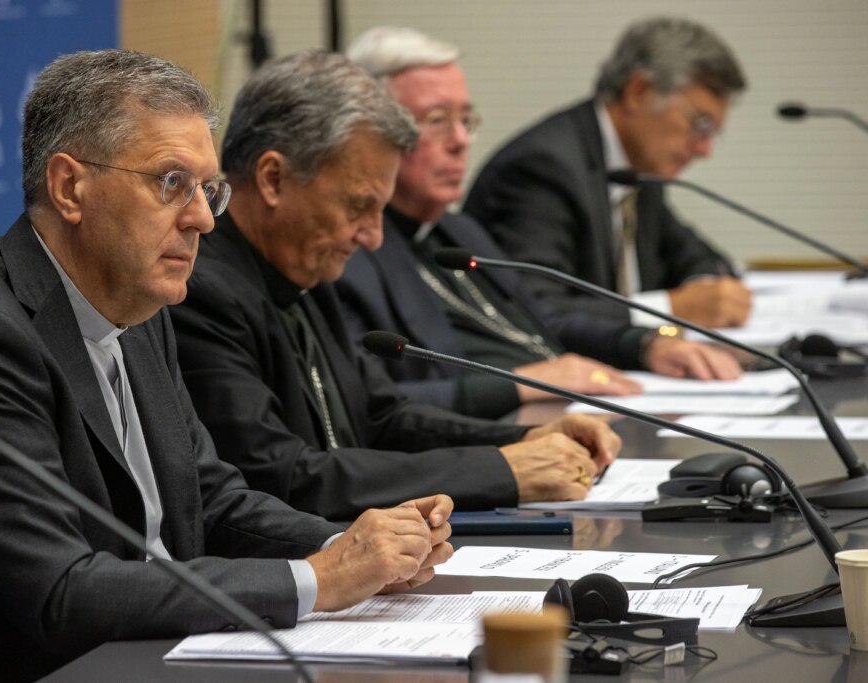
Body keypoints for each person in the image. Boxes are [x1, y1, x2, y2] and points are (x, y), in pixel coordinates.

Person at [0, 50, 455, 682]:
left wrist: (353, 547)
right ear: (69, 186)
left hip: (153, 657)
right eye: (171, 183)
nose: (199, 218)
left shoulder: (138, 303)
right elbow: (61, 594)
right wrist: (317, 579)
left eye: (207, 190)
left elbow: (210, 500)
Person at [169, 50, 621, 523]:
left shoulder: (303, 265)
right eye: (358, 206)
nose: (373, 236)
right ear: (274, 179)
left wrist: (525, 440)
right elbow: (280, 477)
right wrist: (499, 470)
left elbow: (385, 416)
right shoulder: (202, 291)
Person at [338, 26, 744, 420]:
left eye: (466, 119)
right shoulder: (345, 256)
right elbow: (368, 403)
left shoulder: (458, 232)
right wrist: (519, 383)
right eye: (436, 120)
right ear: (370, 135)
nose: (461, 140)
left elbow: (542, 320)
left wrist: (645, 345)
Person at [464, 17, 753, 329]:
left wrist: (709, 291)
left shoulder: (637, 167)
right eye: (701, 125)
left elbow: (695, 256)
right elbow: (535, 308)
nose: (704, 150)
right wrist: (672, 308)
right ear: (639, 92)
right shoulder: (542, 168)